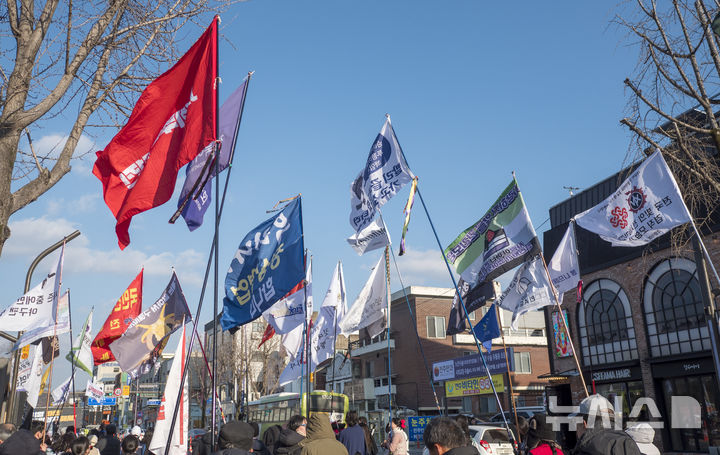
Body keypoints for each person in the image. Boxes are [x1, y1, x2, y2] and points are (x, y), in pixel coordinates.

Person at [571, 394, 642, 455]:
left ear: (584, 424)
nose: (576, 431)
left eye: (576, 425)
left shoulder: (586, 450)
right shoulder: (627, 442)